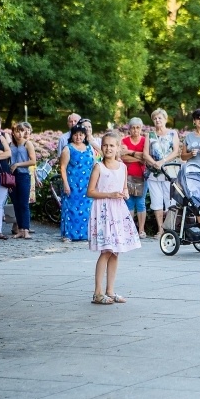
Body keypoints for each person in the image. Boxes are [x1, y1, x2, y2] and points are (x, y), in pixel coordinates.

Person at [87, 132, 141, 305]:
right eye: (105, 145)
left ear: (118, 147)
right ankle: (97, 292)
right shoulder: (98, 167)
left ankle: (110, 290)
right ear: (101, 147)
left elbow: (124, 188)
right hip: (103, 210)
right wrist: (110, 194)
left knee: (115, 251)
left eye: (112, 145)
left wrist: (124, 193)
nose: (108, 148)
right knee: (107, 250)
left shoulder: (122, 167)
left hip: (117, 211)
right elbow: (90, 192)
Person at [143, 108, 180, 239]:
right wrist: (154, 163)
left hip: (169, 173)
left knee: (170, 201)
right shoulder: (150, 135)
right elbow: (145, 153)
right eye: (155, 118)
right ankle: (160, 230)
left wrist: (162, 162)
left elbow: (176, 151)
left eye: (160, 118)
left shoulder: (172, 133)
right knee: (156, 201)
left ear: (165, 119)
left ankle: (170, 230)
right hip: (154, 174)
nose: (157, 120)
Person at [59, 124, 94, 242]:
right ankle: (68, 235)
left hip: (87, 184)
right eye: (75, 134)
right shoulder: (68, 149)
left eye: (81, 134)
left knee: (87, 209)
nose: (78, 137)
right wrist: (65, 183)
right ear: (72, 136)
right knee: (71, 209)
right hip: (73, 183)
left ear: (84, 136)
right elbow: (63, 168)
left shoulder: (89, 148)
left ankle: (85, 234)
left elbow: (94, 164)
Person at [120, 117, 148, 239]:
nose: (135, 130)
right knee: (129, 203)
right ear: (129, 129)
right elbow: (122, 157)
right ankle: (130, 230)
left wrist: (129, 152)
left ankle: (141, 230)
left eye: (138, 127)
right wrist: (138, 157)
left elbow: (146, 157)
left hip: (142, 176)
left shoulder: (145, 140)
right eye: (133, 127)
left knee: (140, 203)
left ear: (141, 128)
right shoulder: (124, 140)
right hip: (127, 176)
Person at [9, 122, 37, 239]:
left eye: (21, 131)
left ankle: (26, 229)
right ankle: (20, 229)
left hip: (23, 175)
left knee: (24, 203)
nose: (20, 134)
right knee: (16, 203)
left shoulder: (27, 144)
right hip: (12, 176)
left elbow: (33, 161)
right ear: (13, 133)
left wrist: (18, 165)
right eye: (17, 131)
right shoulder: (10, 145)